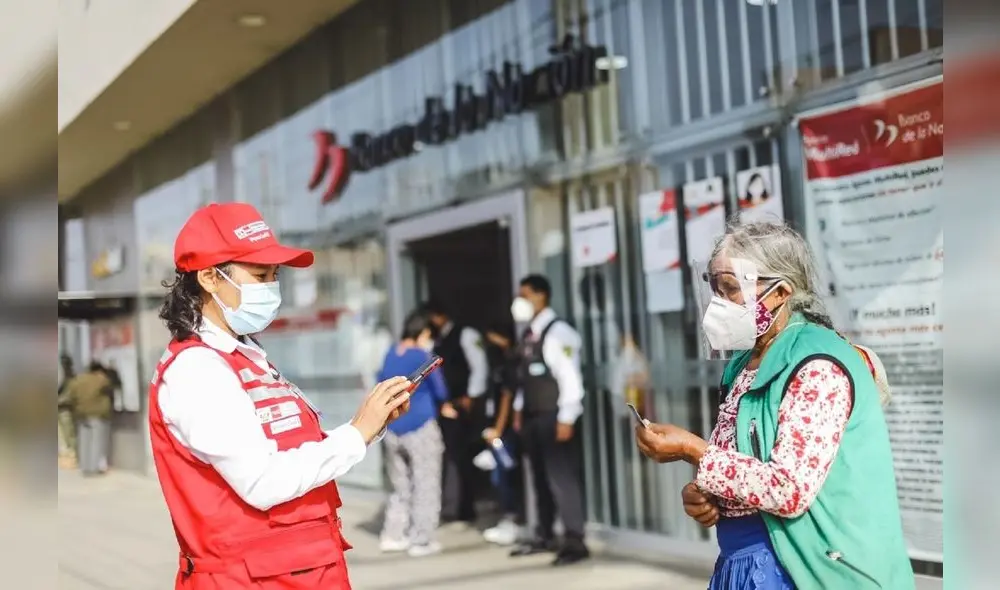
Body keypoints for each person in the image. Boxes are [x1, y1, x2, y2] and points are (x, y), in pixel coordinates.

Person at [634, 221, 914, 589]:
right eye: (714, 288)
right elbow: (745, 465)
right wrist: (706, 495)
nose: (718, 302)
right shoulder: (743, 365)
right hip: (746, 560)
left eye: (731, 289)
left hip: (806, 568)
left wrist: (694, 450)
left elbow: (787, 488)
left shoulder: (816, 366)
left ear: (780, 292)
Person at [148, 202, 412, 590]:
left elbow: (291, 446)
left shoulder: (245, 356)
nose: (272, 287)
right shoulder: (198, 370)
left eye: (275, 275)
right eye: (259, 274)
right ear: (208, 277)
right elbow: (262, 482)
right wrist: (356, 433)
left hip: (300, 573)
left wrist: (371, 426)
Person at [508, 274, 589, 566]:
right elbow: (524, 378)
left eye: (525, 295)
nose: (520, 301)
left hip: (555, 415)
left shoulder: (558, 333)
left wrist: (567, 417)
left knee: (561, 477)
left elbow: (570, 379)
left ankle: (574, 539)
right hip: (532, 416)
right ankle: (544, 535)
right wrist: (519, 410)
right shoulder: (529, 333)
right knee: (539, 479)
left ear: (541, 296)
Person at [376, 310, 449, 558]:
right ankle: (421, 539)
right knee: (425, 483)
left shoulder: (389, 354)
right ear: (423, 332)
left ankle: (393, 535)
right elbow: (440, 389)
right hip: (420, 426)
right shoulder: (422, 356)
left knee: (400, 486)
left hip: (393, 428)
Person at [422, 300, 489, 525]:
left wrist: (471, 397)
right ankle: (455, 505)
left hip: (463, 406)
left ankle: (465, 507)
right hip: (446, 407)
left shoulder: (465, 334)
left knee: (462, 457)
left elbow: (479, 367)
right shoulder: (436, 340)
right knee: (452, 455)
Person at [478, 322, 525, 546]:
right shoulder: (498, 363)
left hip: (506, 431)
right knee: (499, 476)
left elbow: (507, 397)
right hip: (498, 428)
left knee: (505, 476)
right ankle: (509, 518)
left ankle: (512, 519)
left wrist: (498, 427)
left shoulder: (511, 364)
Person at [59, 360, 114, 476]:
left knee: (84, 441)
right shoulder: (102, 379)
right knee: (96, 442)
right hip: (98, 414)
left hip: (81, 414)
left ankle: (85, 467)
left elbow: (70, 395)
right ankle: (94, 468)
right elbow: (113, 386)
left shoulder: (78, 380)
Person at [57, 354, 78, 465]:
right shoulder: (64, 378)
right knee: (62, 434)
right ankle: (66, 454)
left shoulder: (71, 378)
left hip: (65, 408)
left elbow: (70, 394)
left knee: (68, 433)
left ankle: (72, 455)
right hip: (60, 408)